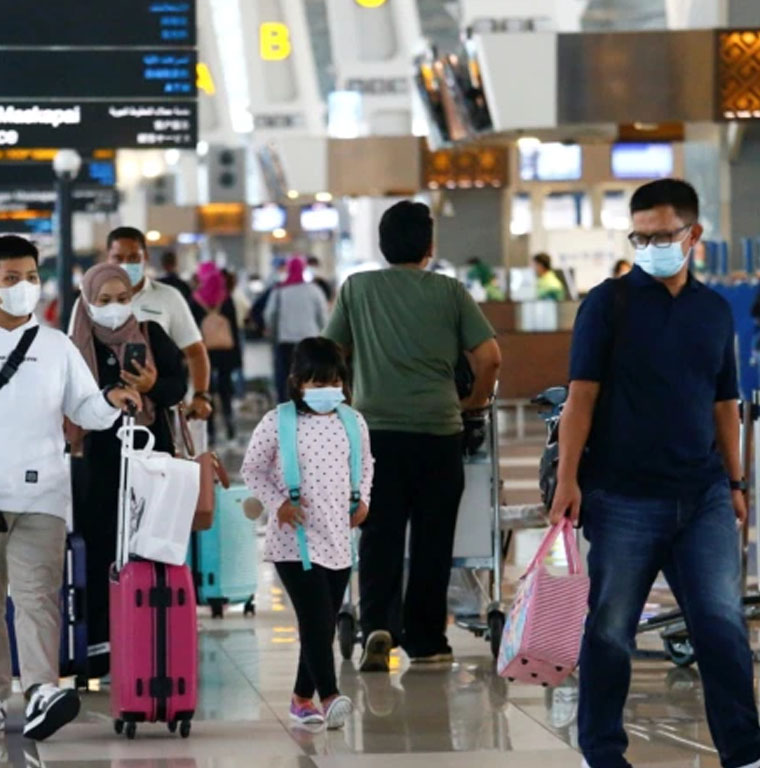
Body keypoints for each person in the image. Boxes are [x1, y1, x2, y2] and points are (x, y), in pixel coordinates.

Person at [549, 178, 760, 768]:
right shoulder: (608, 303)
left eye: (662, 235)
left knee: (721, 626)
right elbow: (580, 399)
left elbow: (725, 403)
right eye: (639, 237)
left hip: (704, 497)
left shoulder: (714, 310)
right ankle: (603, 751)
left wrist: (737, 483)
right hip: (622, 499)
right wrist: (568, 480)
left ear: (692, 235)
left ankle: (744, 751)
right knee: (611, 630)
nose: (649, 246)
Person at [0, 236, 141, 741]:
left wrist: (113, 400)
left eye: (30, 277)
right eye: (11, 279)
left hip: (44, 492)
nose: (24, 287)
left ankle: (43, 689)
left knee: (38, 598)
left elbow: (83, 409)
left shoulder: (55, 346)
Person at [324, 201, 501, 672]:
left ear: (383, 244)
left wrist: (348, 394)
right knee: (432, 538)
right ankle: (426, 640)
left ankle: (378, 627)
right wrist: (474, 403)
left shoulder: (357, 289)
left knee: (378, 534)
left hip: (375, 434)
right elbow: (489, 357)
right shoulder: (450, 292)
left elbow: (331, 352)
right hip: (438, 433)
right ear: (429, 245)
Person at [240, 337, 374, 730]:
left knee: (324, 623)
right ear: (297, 383)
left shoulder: (354, 421)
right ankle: (330, 696)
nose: (326, 391)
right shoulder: (278, 421)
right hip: (292, 544)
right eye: (316, 384)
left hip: (337, 539)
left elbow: (366, 463)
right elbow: (253, 470)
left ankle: (302, 699)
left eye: (333, 382)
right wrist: (278, 503)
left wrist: (362, 498)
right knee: (315, 620)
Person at [67, 262, 187, 679]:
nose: (114, 308)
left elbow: (178, 388)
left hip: (152, 457)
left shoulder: (151, 336)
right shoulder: (75, 347)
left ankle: (151, 638)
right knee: (101, 548)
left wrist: (153, 385)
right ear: (88, 301)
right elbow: (67, 398)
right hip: (98, 461)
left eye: (121, 299)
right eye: (104, 301)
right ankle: (100, 647)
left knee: (153, 546)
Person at [69, 227, 212, 422]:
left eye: (134, 258)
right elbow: (75, 353)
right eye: (118, 258)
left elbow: (194, 351)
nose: (126, 264)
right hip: (97, 414)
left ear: (145, 257)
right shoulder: (88, 302)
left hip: (154, 412)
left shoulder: (167, 298)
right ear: (107, 259)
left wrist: (200, 395)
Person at [189, 263, 242, 442]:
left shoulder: (196, 300)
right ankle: (229, 422)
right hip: (226, 352)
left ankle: (210, 429)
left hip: (205, 353)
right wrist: (237, 357)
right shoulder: (226, 299)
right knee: (226, 388)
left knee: (207, 389)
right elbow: (234, 330)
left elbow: (191, 331)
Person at [264, 256, 329, 402]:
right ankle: (309, 409)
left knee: (286, 379)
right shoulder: (314, 290)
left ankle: (286, 411)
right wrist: (323, 337)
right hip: (310, 342)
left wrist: (273, 335)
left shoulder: (279, 291)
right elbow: (323, 316)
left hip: (285, 342)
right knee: (309, 379)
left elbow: (269, 315)